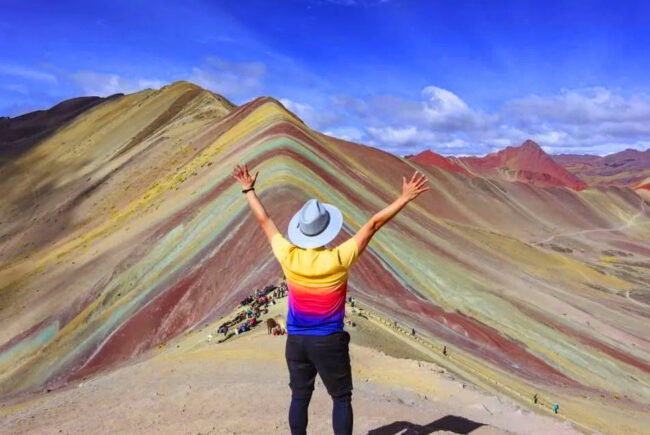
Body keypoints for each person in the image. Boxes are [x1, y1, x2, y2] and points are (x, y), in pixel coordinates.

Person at [233, 163, 429, 435]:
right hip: (328, 341)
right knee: (341, 398)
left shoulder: (289, 256)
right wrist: (404, 198)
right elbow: (373, 224)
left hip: (297, 341)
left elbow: (265, 220)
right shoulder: (339, 258)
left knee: (300, 397)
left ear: (301, 230)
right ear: (327, 229)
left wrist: (248, 189)